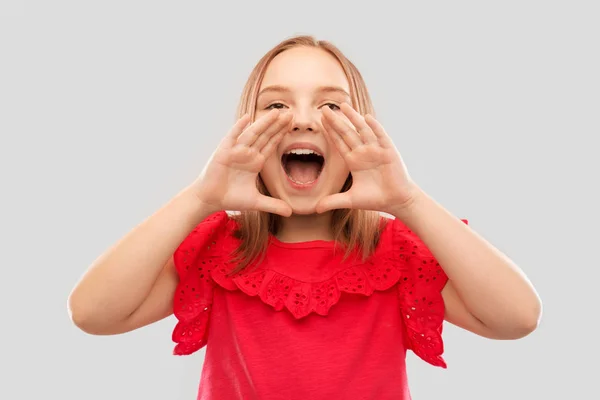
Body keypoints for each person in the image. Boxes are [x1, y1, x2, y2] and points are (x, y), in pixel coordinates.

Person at [68, 35, 542, 400]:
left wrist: (407, 202)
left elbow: (517, 318)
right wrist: (201, 197)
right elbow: (92, 314)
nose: (302, 120)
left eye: (331, 105)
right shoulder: (217, 249)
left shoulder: (395, 252)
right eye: (275, 105)